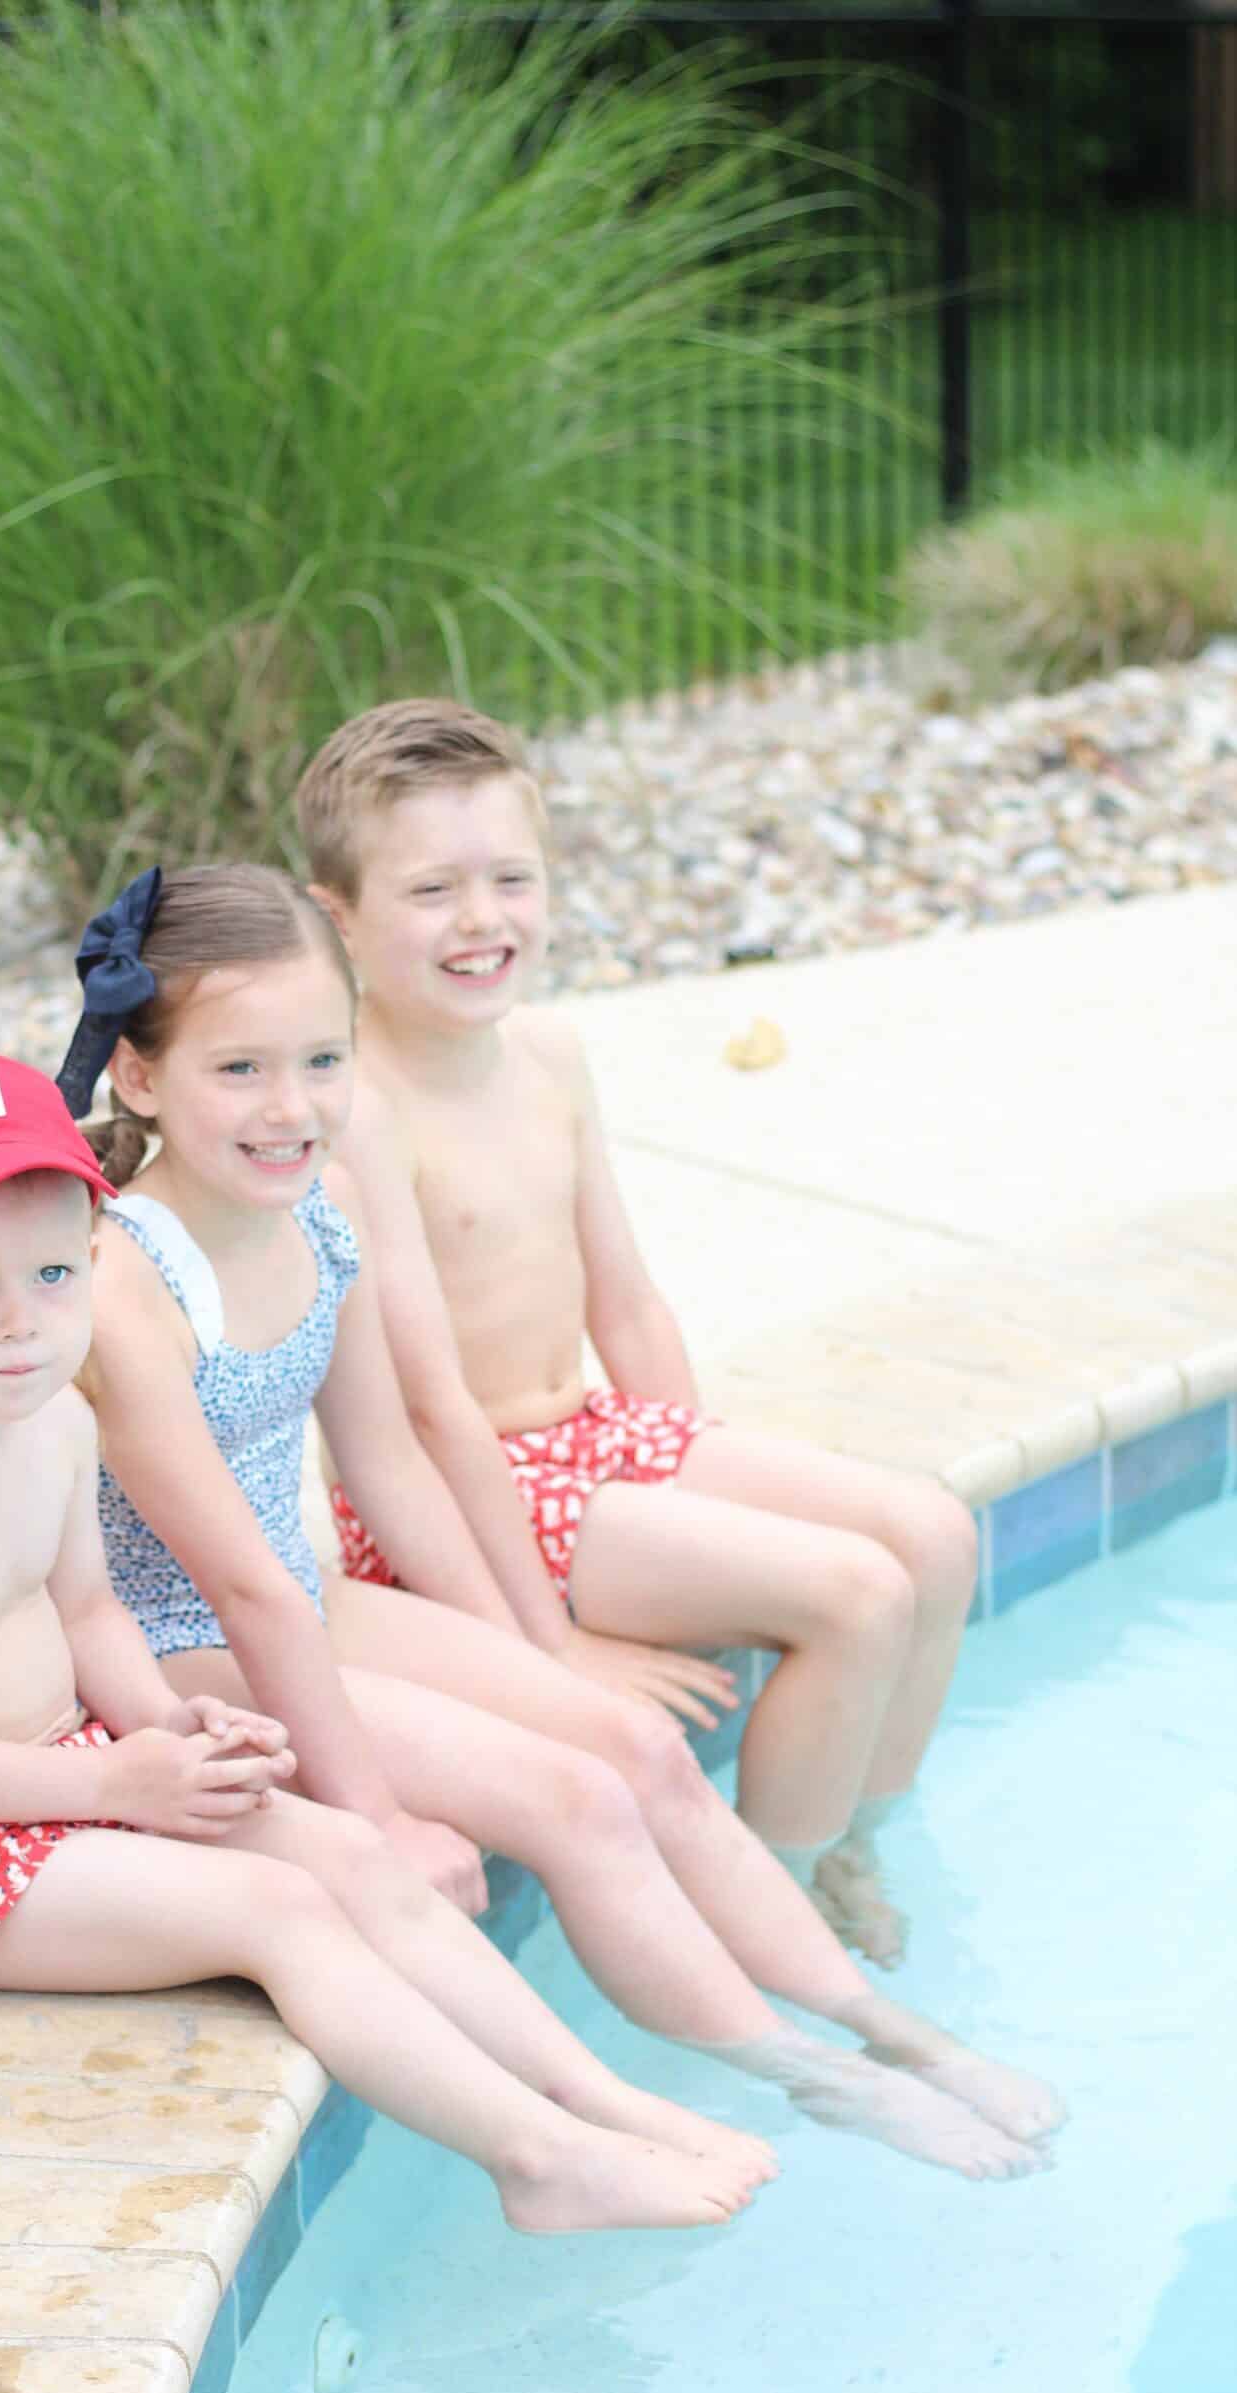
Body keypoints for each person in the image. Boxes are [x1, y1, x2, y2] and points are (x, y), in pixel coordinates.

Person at [58, 866, 1058, 2179]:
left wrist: (533, 1663)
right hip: (179, 1643)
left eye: (319, 1058)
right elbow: (238, 1592)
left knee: (629, 1746)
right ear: (137, 1075)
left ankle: (894, 2033)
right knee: (576, 1802)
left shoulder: (323, 1208)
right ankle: (809, 2079)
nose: (292, 1108)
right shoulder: (125, 1280)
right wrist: (373, 1818)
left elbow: (386, 1466)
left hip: (308, 1602)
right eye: (238, 1070)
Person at [0, 1050, 770, 2236]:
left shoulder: (52, 1423)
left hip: (76, 1765)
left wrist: (165, 1724)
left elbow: (86, 1615)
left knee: (346, 1850)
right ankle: (537, 2159)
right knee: (278, 1912)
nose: (22, 1323)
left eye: (50, 1272)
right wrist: (114, 1778)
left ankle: (598, 2096)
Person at [297, 698, 983, 1972]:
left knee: (936, 1538)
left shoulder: (550, 1056)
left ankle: (846, 1847)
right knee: (854, 1593)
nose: (481, 919)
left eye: (511, 878)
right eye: (432, 890)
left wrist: (694, 1458)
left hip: (598, 1446)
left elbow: (627, 1302)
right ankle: (763, 1919)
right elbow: (428, 1411)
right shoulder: (358, 1113)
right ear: (338, 915)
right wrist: (544, 1646)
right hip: (478, 1492)